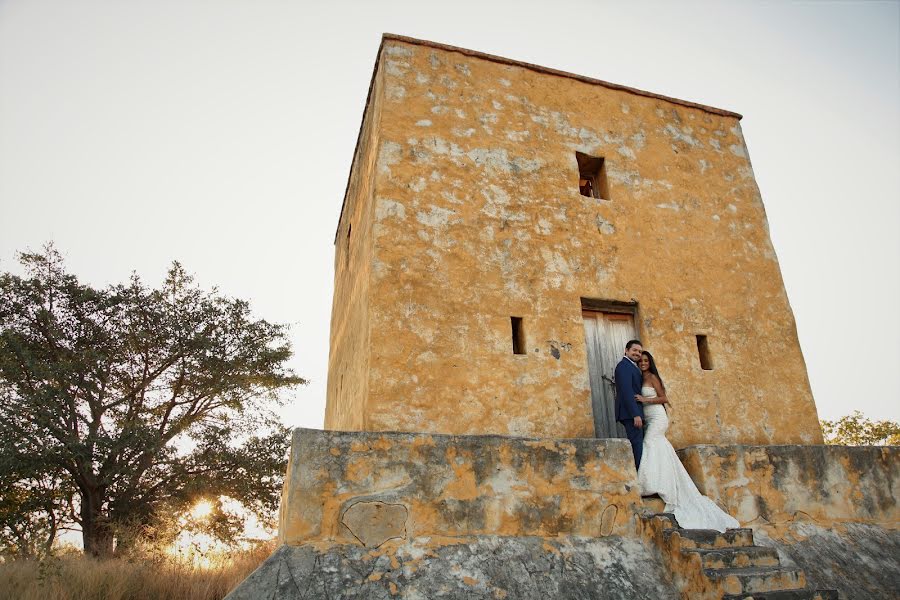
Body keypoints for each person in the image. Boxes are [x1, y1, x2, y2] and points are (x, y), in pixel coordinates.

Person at [635, 350, 739, 532]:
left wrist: (645, 399)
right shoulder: (639, 377)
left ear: (650, 363)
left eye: (646, 360)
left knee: (650, 443)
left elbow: (664, 398)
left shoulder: (652, 377)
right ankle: (662, 481)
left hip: (658, 417)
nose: (643, 363)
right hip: (649, 418)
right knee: (660, 448)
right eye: (641, 360)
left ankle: (652, 483)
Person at [614, 340, 645, 469]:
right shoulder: (623, 366)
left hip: (634, 412)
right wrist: (635, 414)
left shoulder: (633, 366)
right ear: (626, 350)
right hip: (631, 414)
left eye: (639, 351)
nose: (637, 353)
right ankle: (641, 476)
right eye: (634, 350)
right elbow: (626, 391)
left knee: (640, 444)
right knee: (637, 445)